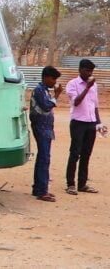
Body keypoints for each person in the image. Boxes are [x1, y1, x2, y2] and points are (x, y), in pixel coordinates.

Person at [65, 59, 107, 195]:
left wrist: (99, 123)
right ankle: (70, 184)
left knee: (86, 154)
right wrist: (87, 87)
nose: (90, 73)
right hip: (78, 123)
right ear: (80, 69)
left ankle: (82, 184)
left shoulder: (94, 86)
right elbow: (76, 102)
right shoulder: (73, 84)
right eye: (87, 70)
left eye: (91, 71)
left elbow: (95, 106)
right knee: (74, 153)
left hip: (91, 123)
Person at [30, 66, 61, 202]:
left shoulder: (44, 91)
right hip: (41, 127)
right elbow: (46, 106)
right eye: (53, 79)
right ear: (46, 77)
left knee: (43, 157)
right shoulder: (39, 90)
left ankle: (38, 188)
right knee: (44, 158)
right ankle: (42, 191)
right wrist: (57, 96)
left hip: (45, 127)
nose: (54, 82)